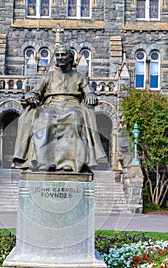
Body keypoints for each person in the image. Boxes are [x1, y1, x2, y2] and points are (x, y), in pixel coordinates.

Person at [12, 44, 106, 172]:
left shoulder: (80, 77)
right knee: (45, 118)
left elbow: (88, 92)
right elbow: (36, 91)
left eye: (63, 55)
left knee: (74, 117)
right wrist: (30, 95)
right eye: (58, 55)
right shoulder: (48, 76)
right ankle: (43, 162)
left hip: (73, 105)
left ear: (70, 57)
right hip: (52, 105)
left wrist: (91, 95)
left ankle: (70, 163)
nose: (60, 57)